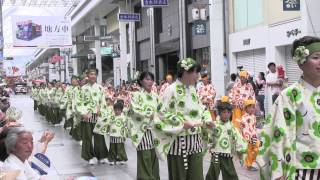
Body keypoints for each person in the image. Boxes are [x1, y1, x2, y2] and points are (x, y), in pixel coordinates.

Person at [257, 36, 320, 180]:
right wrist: (278, 172)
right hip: (303, 169)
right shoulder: (290, 95)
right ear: (301, 63)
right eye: (316, 57)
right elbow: (278, 134)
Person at [153, 58, 213, 180]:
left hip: (195, 140)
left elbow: (201, 108)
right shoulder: (171, 90)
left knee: (197, 176)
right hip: (178, 141)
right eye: (195, 72)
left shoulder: (192, 89)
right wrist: (181, 123)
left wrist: (207, 119)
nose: (198, 76)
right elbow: (161, 113)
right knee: (178, 176)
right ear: (185, 72)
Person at [205, 96, 247, 180]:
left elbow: (238, 138)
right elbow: (208, 135)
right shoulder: (214, 124)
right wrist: (210, 128)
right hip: (216, 153)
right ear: (219, 113)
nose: (226, 114)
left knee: (230, 174)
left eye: (228, 112)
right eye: (224, 112)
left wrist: (241, 148)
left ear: (231, 113)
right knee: (212, 173)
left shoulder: (232, 127)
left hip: (227, 153)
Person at [128, 71, 160, 180]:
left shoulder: (155, 96)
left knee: (153, 156)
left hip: (154, 131)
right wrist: (149, 115)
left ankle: (155, 177)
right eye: (147, 79)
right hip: (142, 130)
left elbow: (161, 111)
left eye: (151, 79)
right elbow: (134, 110)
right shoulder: (135, 95)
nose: (150, 81)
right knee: (145, 156)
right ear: (141, 81)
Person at [76, 69, 109, 165]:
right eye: (91, 74)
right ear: (87, 76)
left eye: (95, 74)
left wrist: (101, 111)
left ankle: (101, 156)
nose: (93, 76)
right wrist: (83, 113)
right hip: (87, 116)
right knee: (87, 137)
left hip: (98, 115)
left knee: (100, 136)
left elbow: (103, 102)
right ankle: (89, 157)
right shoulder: (82, 88)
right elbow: (79, 102)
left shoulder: (100, 88)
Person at [238, 99, 260, 171]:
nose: (252, 109)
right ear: (246, 108)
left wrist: (255, 134)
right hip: (248, 138)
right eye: (250, 107)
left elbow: (254, 127)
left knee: (257, 148)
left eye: (253, 107)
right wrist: (246, 138)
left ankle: (251, 162)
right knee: (250, 150)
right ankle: (249, 165)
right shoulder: (244, 118)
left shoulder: (253, 116)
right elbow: (243, 129)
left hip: (253, 136)